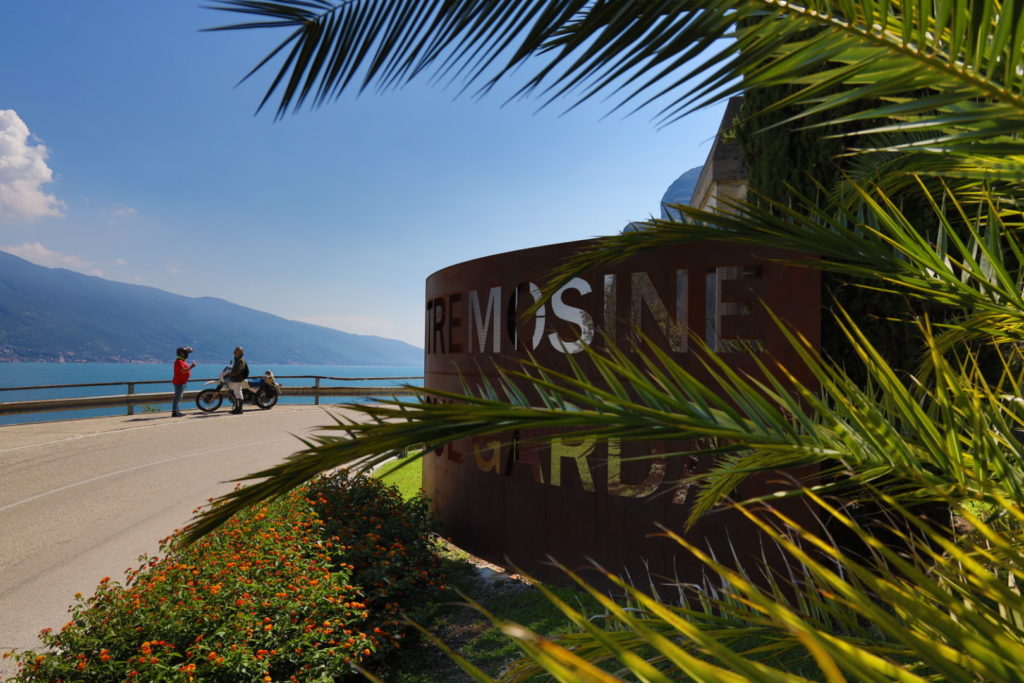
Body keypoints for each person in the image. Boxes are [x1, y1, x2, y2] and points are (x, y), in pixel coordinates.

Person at [171, 346, 196, 417]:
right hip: (178, 382)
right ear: (181, 353)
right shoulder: (179, 361)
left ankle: (177, 410)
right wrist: (192, 366)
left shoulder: (182, 361)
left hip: (182, 382)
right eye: (185, 353)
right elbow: (183, 371)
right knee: (177, 397)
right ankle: (174, 412)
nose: (186, 354)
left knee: (179, 397)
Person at [226, 346, 249, 414]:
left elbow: (238, 370)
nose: (234, 352)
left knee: (238, 393)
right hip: (236, 378)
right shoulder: (237, 359)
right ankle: (237, 408)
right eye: (235, 350)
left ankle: (239, 409)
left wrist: (230, 374)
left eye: (236, 351)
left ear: (239, 352)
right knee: (237, 393)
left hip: (237, 378)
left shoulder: (240, 360)